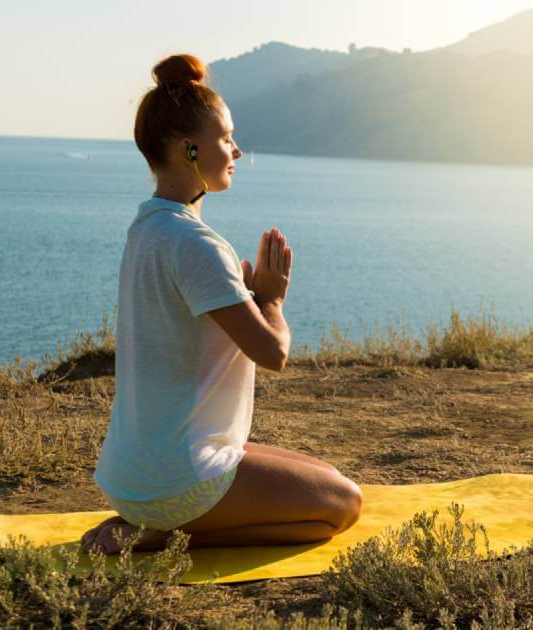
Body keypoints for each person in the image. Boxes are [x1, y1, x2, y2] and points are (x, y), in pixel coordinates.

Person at [81, 54, 362, 555]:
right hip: (174, 479)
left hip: (133, 471)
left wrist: (251, 296)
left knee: (326, 475)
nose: (235, 150)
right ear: (189, 149)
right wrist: (271, 300)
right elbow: (272, 353)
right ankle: (161, 535)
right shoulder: (197, 244)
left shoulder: (147, 229)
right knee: (342, 505)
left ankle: (153, 521)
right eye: (226, 138)